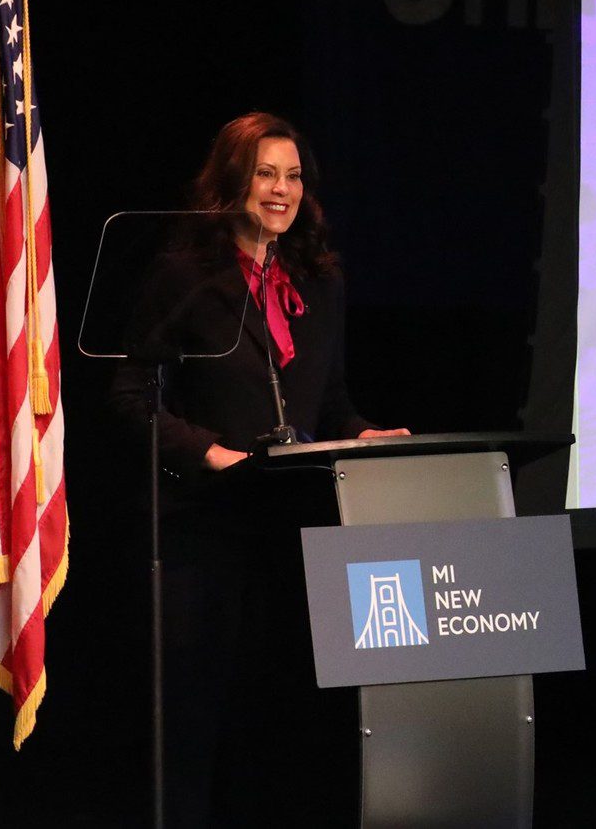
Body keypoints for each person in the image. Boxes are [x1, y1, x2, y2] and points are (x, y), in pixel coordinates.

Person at [111, 112, 407, 826]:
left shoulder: (319, 281)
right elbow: (129, 393)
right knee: (196, 720)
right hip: (205, 530)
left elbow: (331, 400)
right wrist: (209, 449)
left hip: (294, 530)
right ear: (234, 181)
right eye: (266, 173)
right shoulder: (186, 274)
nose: (282, 189)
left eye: (294, 174)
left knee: (279, 719)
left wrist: (365, 434)